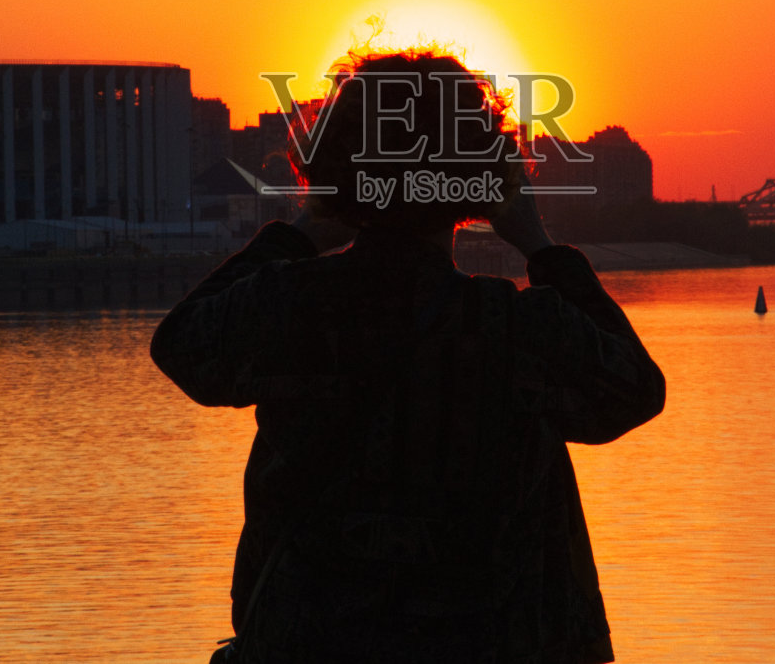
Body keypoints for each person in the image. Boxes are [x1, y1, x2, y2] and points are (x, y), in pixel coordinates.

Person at [151, 50, 665, 663]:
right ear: (481, 177)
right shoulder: (516, 328)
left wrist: (299, 232)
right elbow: (635, 390)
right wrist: (538, 244)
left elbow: (182, 346)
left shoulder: (291, 306)